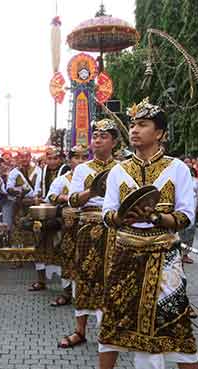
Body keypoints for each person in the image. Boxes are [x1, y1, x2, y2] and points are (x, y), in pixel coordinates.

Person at [91, 98, 198, 369]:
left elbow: (187, 215)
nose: (135, 130)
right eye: (133, 124)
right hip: (125, 253)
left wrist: (157, 217)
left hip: (165, 257)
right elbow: (107, 214)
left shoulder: (177, 168)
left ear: (160, 133)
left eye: (143, 124)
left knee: (176, 322)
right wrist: (123, 216)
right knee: (114, 318)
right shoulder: (119, 170)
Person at [58, 119, 119, 349]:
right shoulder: (83, 169)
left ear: (113, 141)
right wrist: (91, 191)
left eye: (104, 136)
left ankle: (111, 329)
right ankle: (80, 330)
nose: (98, 140)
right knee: (84, 276)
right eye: (95, 136)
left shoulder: (122, 167)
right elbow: (73, 200)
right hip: (87, 226)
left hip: (114, 226)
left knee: (113, 277)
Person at [44, 144, 88, 307]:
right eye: (77, 157)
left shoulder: (91, 177)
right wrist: (64, 198)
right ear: (70, 161)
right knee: (68, 255)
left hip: (87, 222)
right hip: (68, 224)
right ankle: (67, 293)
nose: (81, 161)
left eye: (84, 157)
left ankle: (86, 295)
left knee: (87, 257)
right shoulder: (62, 179)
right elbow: (50, 197)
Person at [32, 145, 68, 289]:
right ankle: (41, 281)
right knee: (39, 245)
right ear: (45, 159)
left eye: (56, 158)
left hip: (61, 214)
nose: (52, 161)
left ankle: (64, 286)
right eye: (50, 158)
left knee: (60, 246)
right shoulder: (42, 171)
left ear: (61, 159)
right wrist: (36, 197)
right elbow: (37, 189)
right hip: (43, 213)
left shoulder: (66, 172)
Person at [6, 149, 42, 285]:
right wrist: (17, 191)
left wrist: (36, 198)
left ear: (30, 157)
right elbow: (8, 187)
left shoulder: (38, 171)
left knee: (35, 229)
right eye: (21, 157)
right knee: (17, 230)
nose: (24, 159)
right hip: (19, 205)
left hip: (34, 204)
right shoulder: (14, 172)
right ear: (18, 158)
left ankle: (35, 257)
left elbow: (40, 188)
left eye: (26, 156)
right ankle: (17, 258)